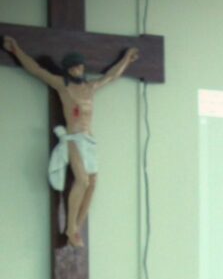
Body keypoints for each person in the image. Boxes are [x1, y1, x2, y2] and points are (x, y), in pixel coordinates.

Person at [2, 36, 139, 248]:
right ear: (67, 70)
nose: (78, 71)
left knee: (92, 184)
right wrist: (16, 50)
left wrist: (127, 60)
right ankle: (70, 226)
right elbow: (37, 70)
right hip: (74, 138)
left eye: (80, 67)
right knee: (82, 181)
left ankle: (76, 227)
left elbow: (111, 77)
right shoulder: (63, 87)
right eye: (73, 68)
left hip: (89, 139)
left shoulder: (90, 87)